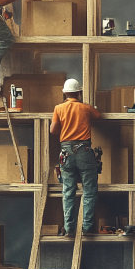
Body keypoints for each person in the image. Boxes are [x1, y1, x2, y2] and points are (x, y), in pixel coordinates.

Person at [50, 78, 102, 236]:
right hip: (84, 150)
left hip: (66, 153)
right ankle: (87, 228)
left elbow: (53, 130)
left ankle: (70, 228)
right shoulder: (86, 108)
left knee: (68, 191)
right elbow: (98, 116)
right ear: (79, 92)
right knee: (90, 190)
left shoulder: (58, 108)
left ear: (64, 93)